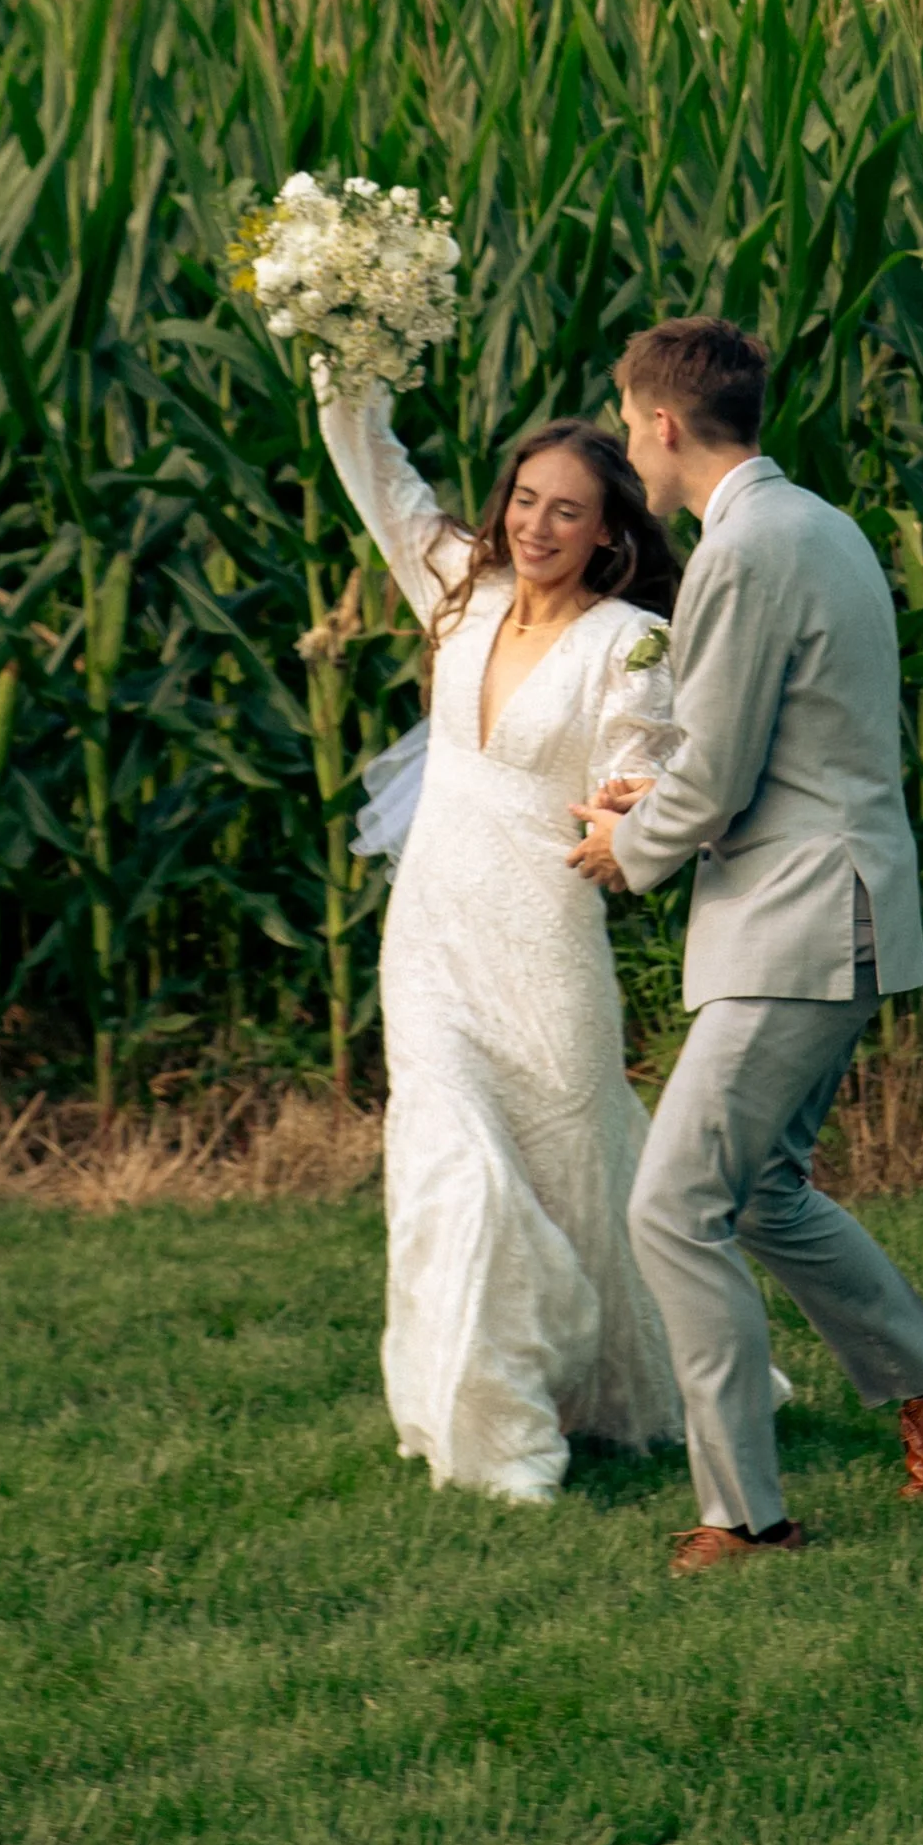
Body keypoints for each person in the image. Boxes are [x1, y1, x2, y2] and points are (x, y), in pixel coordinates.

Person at [568, 315, 923, 1573]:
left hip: (798, 919)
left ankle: (746, 1518)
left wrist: (630, 846)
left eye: (629, 422)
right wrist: (656, 804)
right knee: (760, 1187)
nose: (628, 447)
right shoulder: (813, 523)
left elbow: (716, 774)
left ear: (665, 424)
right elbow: (784, 744)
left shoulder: (745, 547)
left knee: (674, 1205)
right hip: (835, 903)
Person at [317, 378, 687, 1502]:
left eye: (567, 510)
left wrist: (626, 810)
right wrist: (344, 356)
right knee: (454, 1167)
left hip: (544, 935)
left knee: (578, 1167)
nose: (536, 525)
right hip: (431, 936)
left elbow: (644, 767)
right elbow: (380, 481)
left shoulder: (632, 642)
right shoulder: (461, 588)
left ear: (607, 531)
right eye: (525, 500)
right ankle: (496, 1432)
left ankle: (608, 1393)